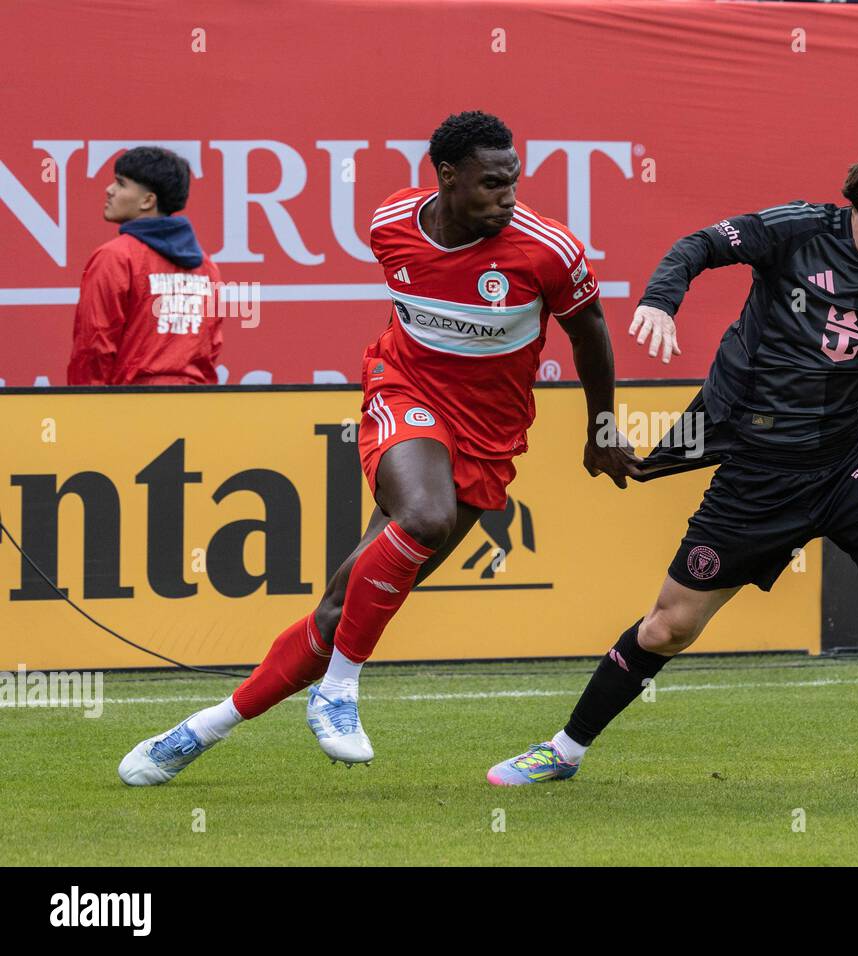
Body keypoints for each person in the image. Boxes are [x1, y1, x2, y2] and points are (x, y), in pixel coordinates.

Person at [488, 142, 858, 786]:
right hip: (756, 477)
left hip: (844, 463)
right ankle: (564, 750)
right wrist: (661, 299)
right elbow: (698, 246)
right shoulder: (797, 231)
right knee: (667, 629)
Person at [118, 111, 641, 785]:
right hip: (404, 393)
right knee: (425, 518)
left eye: (513, 182)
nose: (506, 197)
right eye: (490, 184)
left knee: (344, 608)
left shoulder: (547, 249)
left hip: (489, 436)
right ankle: (339, 689)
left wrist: (602, 427)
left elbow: (590, 329)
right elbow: (407, 309)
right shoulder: (390, 225)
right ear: (448, 177)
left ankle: (199, 730)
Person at [68, 146, 222, 385]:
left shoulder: (114, 257)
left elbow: (94, 344)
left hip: (130, 411)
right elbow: (210, 348)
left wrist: (83, 408)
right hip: (194, 410)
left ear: (148, 200)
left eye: (121, 183)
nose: (109, 190)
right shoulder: (206, 266)